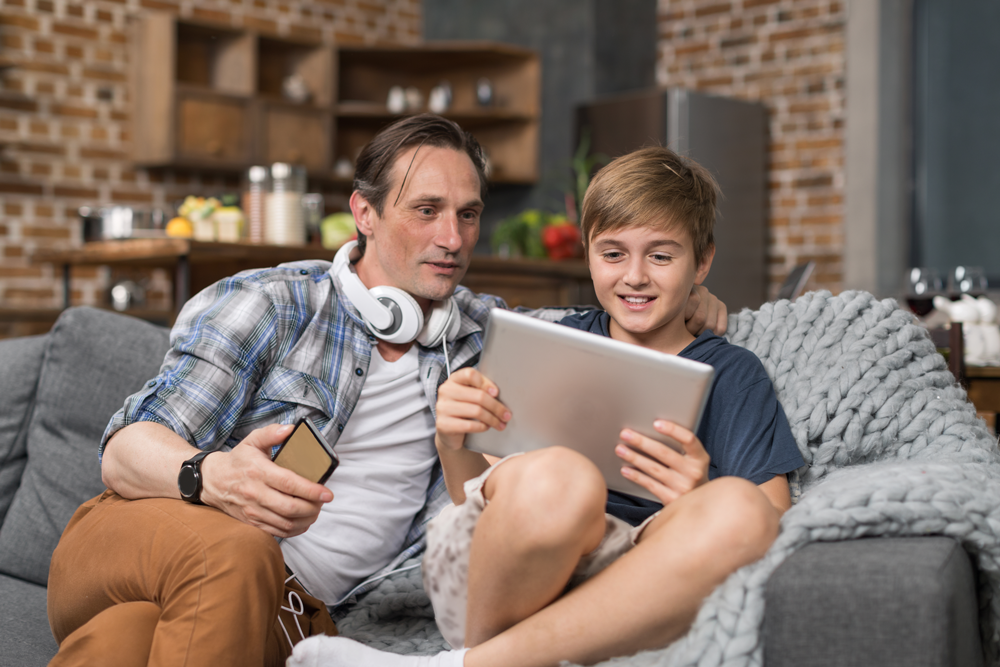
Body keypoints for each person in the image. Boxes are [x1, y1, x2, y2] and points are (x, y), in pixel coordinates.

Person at [46, 118, 728, 667]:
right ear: (363, 214)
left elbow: (618, 313)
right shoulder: (273, 303)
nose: (452, 237)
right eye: (426, 210)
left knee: (124, 642)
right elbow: (125, 449)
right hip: (140, 536)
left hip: (294, 611)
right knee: (236, 549)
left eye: (468, 214)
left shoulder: (486, 338)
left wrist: (688, 299)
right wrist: (212, 473)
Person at [289, 146, 805, 667]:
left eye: (662, 256)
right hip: (511, 560)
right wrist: (452, 439)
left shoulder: (733, 374)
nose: (635, 277)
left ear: (703, 261)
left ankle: (465, 664)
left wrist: (697, 493)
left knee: (741, 510)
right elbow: (478, 491)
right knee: (560, 478)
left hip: (642, 573)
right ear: (587, 255)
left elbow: (771, 525)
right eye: (612, 254)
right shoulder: (553, 340)